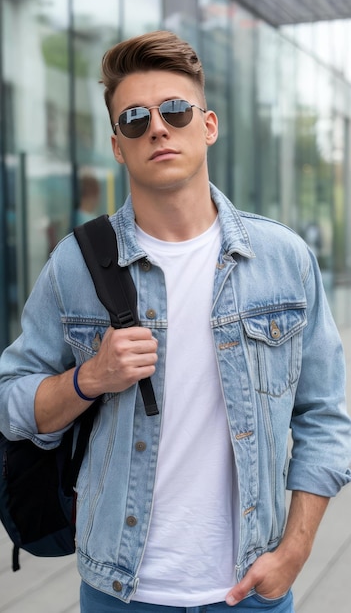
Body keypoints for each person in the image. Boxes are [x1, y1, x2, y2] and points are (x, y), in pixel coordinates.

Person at [0, 30, 350, 613]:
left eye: (175, 111)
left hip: (252, 589)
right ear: (118, 146)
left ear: (207, 125)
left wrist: (295, 551)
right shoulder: (76, 263)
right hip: (120, 590)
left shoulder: (283, 260)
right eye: (135, 118)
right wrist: (90, 377)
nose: (157, 128)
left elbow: (326, 415)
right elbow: (11, 400)